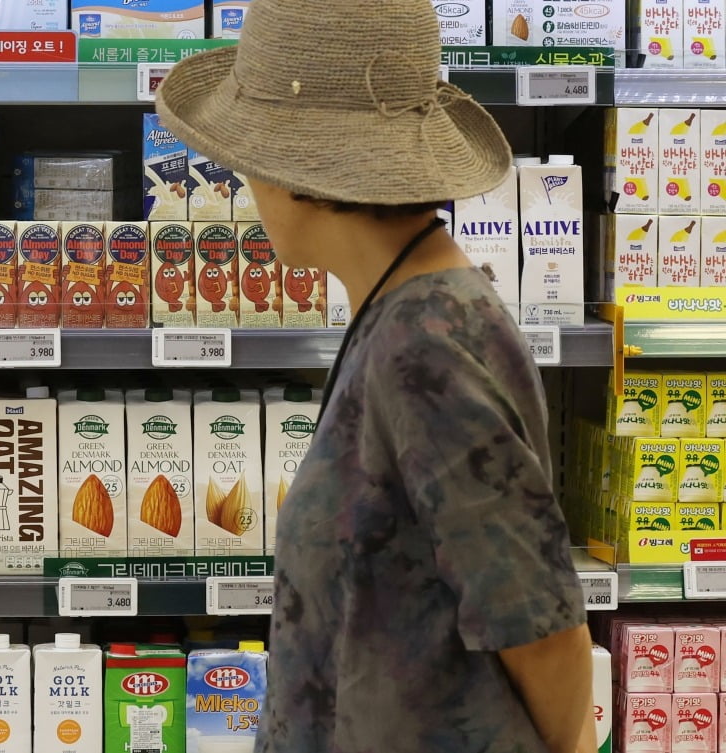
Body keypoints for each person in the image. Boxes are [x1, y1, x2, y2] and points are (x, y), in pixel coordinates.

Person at [156, 1, 593, 752]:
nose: (245, 179)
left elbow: (543, 632)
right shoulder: (397, 310)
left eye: (251, 156)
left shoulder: (428, 344)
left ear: (301, 174)